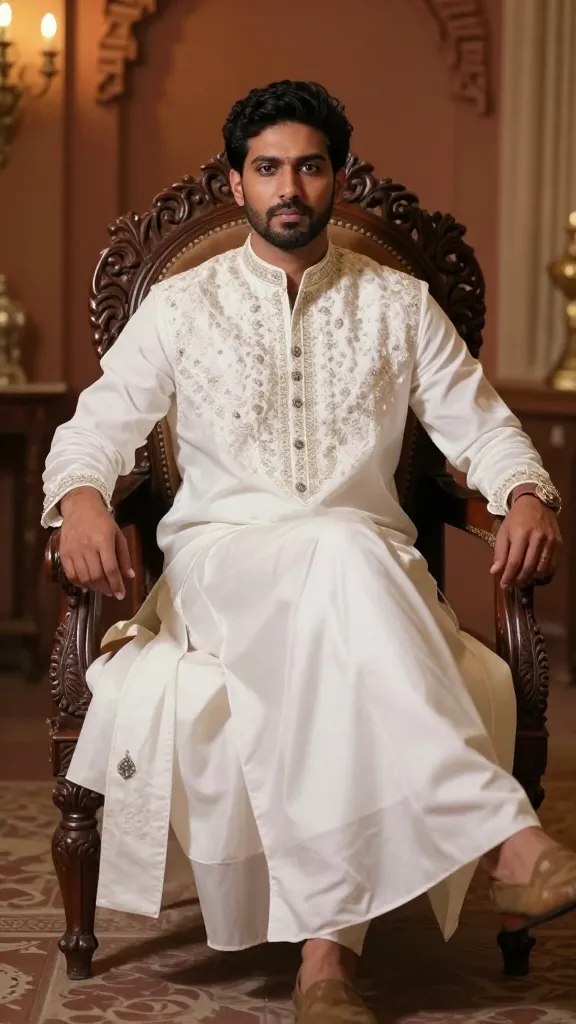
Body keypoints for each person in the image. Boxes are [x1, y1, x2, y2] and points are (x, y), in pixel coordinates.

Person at [42, 80, 572, 1024]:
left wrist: (525, 492)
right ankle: (502, 839)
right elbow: (94, 429)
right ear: (236, 182)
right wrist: (82, 499)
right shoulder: (180, 304)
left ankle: (326, 967)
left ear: (338, 176)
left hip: (369, 568)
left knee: (341, 567)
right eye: (268, 168)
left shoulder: (400, 304)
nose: (289, 187)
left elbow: (485, 429)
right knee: (337, 549)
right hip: (222, 564)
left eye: (310, 167)